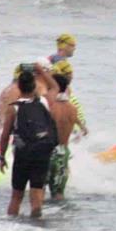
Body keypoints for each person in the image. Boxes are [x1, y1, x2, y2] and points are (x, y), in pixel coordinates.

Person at [0, 70, 58, 218]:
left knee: (16, 197)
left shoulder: (14, 108)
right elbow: (55, 87)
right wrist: (42, 70)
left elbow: (5, 135)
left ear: (19, 87)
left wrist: (1, 156)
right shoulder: (43, 102)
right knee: (37, 195)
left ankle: (12, 228)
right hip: (42, 153)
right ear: (34, 86)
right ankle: (36, 225)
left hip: (22, 155)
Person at [46, 73, 79, 202]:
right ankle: (60, 219)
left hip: (49, 152)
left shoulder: (50, 108)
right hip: (63, 152)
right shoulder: (73, 109)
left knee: (39, 189)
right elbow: (77, 128)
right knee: (59, 193)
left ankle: (37, 220)